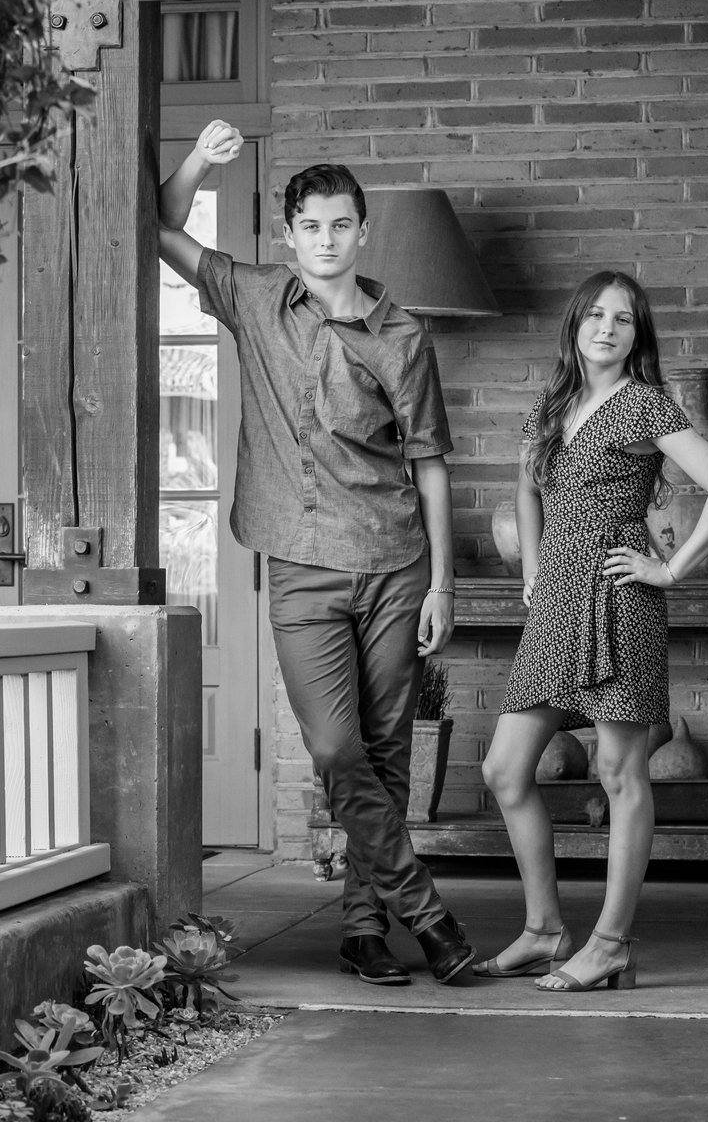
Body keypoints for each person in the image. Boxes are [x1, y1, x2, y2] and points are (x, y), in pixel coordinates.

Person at [156, 120, 474, 986]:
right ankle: (427, 914)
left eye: (340, 225)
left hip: (394, 561)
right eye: (310, 226)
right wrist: (198, 161)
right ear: (287, 234)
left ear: (361, 232)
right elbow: (162, 228)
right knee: (337, 748)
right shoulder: (254, 296)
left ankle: (364, 930)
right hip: (300, 566)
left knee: (385, 753)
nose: (325, 240)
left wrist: (443, 584)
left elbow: (430, 462)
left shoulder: (402, 336)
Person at [472, 271, 708, 992]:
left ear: (636, 335)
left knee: (619, 773)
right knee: (504, 770)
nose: (606, 328)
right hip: (556, 605)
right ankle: (544, 931)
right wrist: (533, 570)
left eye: (623, 319)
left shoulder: (642, 403)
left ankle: (609, 944)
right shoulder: (550, 405)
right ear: (574, 325)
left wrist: (670, 570)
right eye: (595, 314)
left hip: (618, 601)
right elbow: (526, 488)